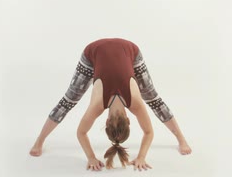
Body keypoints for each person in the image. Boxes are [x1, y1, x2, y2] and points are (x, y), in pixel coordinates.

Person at [29, 38, 191, 171]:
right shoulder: (101, 105)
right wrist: (91, 157)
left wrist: (141, 156)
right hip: (96, 52)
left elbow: (148, 133)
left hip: (128, 49)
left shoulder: (129, 104)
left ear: (128, 121)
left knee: (68, 102)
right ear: (106, 122)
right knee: (69, 100)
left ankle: (39, 141)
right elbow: (81, 133)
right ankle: (181, 139)